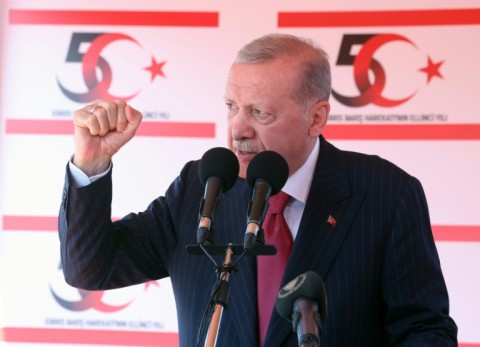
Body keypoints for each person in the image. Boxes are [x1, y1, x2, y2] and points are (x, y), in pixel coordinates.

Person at [58, 33, 458, 346]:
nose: (237, 129)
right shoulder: (202, 186)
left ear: (316, 117)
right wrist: (90, 164)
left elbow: (424, 330)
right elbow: (90, 268)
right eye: (231, 106)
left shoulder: (386, 194)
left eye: (259, 113)